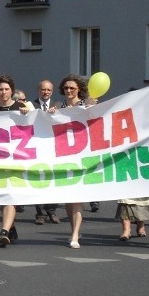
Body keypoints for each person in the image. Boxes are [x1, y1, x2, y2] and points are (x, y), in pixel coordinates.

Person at [0, 74, 29, 247]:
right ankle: (10, 227)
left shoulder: (21, 107)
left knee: (11, 194)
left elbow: (36, 126)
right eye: (0, 89)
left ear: (12, 91)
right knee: (4, 196)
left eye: (6, 89)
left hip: (17, 158)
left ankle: (4, 230)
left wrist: (27, 114)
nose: (3, 92)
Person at [58, 74, 91, 248]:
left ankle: (75, 236)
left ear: (79, 89)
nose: (69, 91)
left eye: (72, 88)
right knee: (68, 199)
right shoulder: (58, 106)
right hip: (63, 155)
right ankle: (74, 230)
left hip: (81, 155)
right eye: (66, 88)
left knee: (77, 197)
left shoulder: (87, 105)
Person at [31, 79, 60, 225]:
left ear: (52, 91)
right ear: (39, 90)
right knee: (38, 179)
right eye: (43, 89)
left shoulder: (58, 106)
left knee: (53, 179)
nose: (46, 92)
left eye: (48, 90)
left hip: (53, 148)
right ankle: (40, 213)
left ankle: (52, 210)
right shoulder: (31, 106)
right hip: (37, 146)